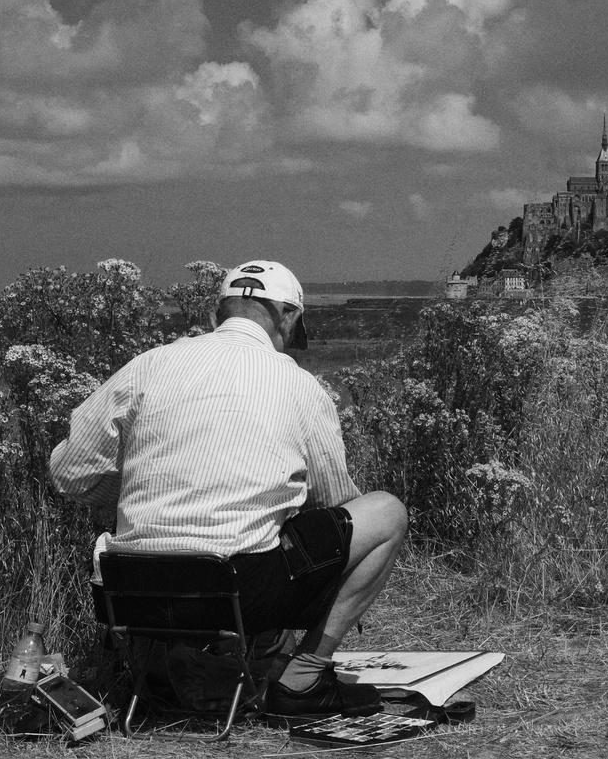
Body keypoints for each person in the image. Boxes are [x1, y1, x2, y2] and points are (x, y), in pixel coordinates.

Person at [49, 260, 407, 718]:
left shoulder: (148, 364)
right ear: (288, 317)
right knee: (386, 512)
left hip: (131, 590)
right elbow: (336, 500)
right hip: (237, 591)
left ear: (217, 313)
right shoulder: (297, 383)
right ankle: (303, 679)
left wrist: (133, 492)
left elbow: (69, 472)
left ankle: (163, 669)